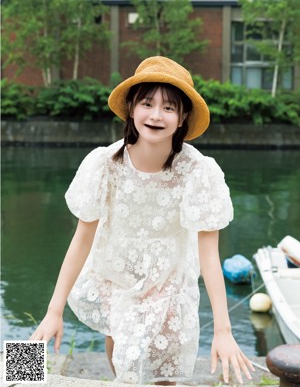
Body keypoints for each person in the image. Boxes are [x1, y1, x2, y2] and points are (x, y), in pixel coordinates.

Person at [30, 56, 255, 385]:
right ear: (131, 109)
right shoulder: (104, 163)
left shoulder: (198, 171)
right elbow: (81, 239)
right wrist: (54, 310)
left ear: (182, 119)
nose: (155, 115)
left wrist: (223, 330)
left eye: (168, 108)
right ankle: (23, 369)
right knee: (123, 353)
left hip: (169, 279)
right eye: (147, 103)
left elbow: (209, 255)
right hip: (114, 272)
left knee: (164, 370)